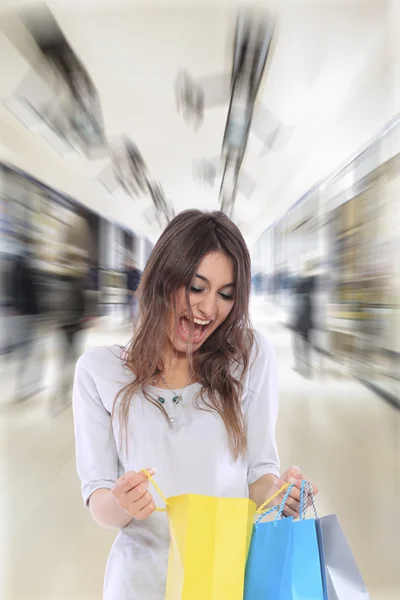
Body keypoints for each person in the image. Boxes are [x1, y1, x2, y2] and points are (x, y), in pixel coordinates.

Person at [72, 210, 318, 599]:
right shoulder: (99, 371)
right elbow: (99, 499)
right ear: (162, 279)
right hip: (139, 584)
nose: (207, 309)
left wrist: (281, 495)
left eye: (225, 294)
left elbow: (259, 474)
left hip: (222, 580)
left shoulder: (249, 358)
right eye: (196, 287)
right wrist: (123, 503)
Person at [125, 259, 141, 324]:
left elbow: (139, 282)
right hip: (129, 291)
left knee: (134, 305)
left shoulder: (137, 272)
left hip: (135, 291)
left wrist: (137, 291)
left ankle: (135, 318)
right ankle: (131, 317)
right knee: (130, 305)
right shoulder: (128, 272)